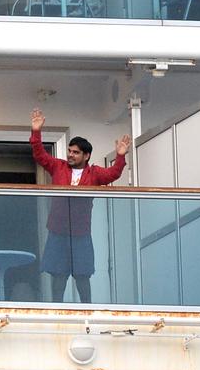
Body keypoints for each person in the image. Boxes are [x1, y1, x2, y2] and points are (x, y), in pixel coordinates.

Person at [29, 108, 131, 303]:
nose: (70, 155)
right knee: (58, 277)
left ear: (86, 155)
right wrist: (36, 132)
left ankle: (87, 312)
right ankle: (57, 312)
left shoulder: (94, 173)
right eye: (69, 151)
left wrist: (120, 156)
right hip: (57, 232)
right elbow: (39, 155)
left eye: (75, 152)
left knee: (82, 277)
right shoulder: (58, 166)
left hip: (80, 234)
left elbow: (113, 174)